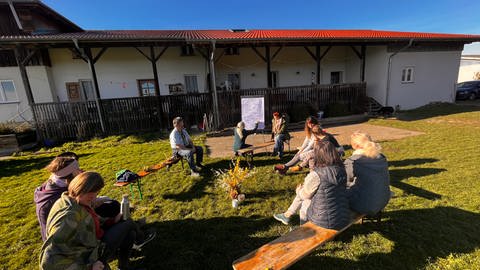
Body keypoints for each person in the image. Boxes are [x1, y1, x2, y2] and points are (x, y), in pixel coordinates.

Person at [40, 172, 152, 270]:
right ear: (81, 188)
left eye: (97, 193)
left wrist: (112, 220)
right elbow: (48, 261)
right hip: (87, 256)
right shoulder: (68, 217)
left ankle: (124, 266)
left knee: (129, 234)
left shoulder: (77, 202)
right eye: (92, 193)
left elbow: (92, 221)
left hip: (94, 242)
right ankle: (141, 238)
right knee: (128, 224)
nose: (95, 198)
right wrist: (89, 267)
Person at [34, 152, 120, 241]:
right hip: (68, 236)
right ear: (69, 176)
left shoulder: (55, 183)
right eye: (78, 170)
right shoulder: (56, 199)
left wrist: (98, 200)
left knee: (111, 204)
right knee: (112, 208)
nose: (81, 172)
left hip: (75, 219)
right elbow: (80, 213)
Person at [274, 141, 350, 230]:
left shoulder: (316, 175)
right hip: (343, 215)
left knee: (305, 204)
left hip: (324, 220)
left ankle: (303, 230)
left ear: (318, 155)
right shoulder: (342, 169)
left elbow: (304, 195)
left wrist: (298, 191)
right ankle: (290, 216)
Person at [345, 132, 391, 215]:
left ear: (355, 146)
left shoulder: (353, 161)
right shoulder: (381, 157)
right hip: (383, 199)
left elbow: (343, 180)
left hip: (364, 204)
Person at [274, 124, 342, 175]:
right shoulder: (323, 136)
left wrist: (315, 142)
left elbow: (319, 152)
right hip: (327, 153)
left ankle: (289, 167)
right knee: (306, 155)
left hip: (333, 154)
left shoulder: (326, 139)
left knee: (309, 156)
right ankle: (287, 167)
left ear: (315, 134)